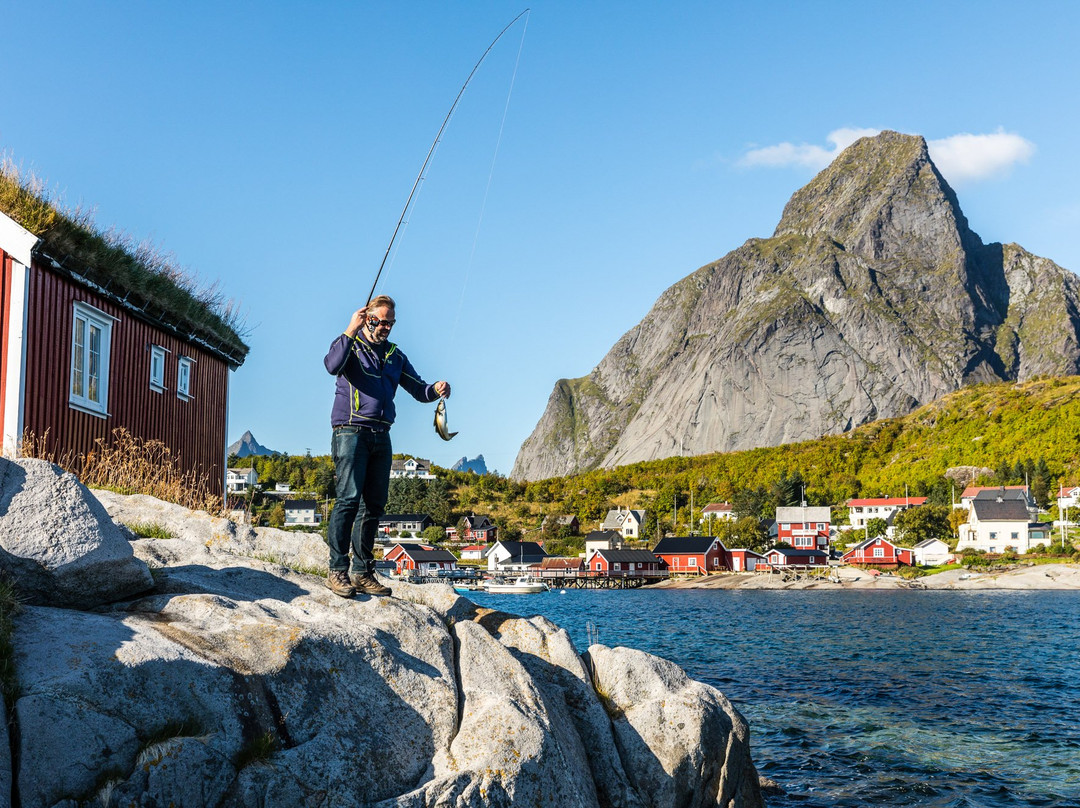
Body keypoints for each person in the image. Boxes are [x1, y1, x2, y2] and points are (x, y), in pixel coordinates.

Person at [323, 294, 450, 597]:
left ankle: (362, 572)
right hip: (350, 431)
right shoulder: (349, 345)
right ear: (366, 318)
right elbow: (331, 365)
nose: (383, 327)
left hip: (383, 433)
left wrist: (437, 389)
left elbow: (419, 390)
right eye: (377, 321)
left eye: (388, 324)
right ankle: (337, 570)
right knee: (348, 500)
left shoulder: (395, 354)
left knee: (374, 506)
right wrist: (349, 330)